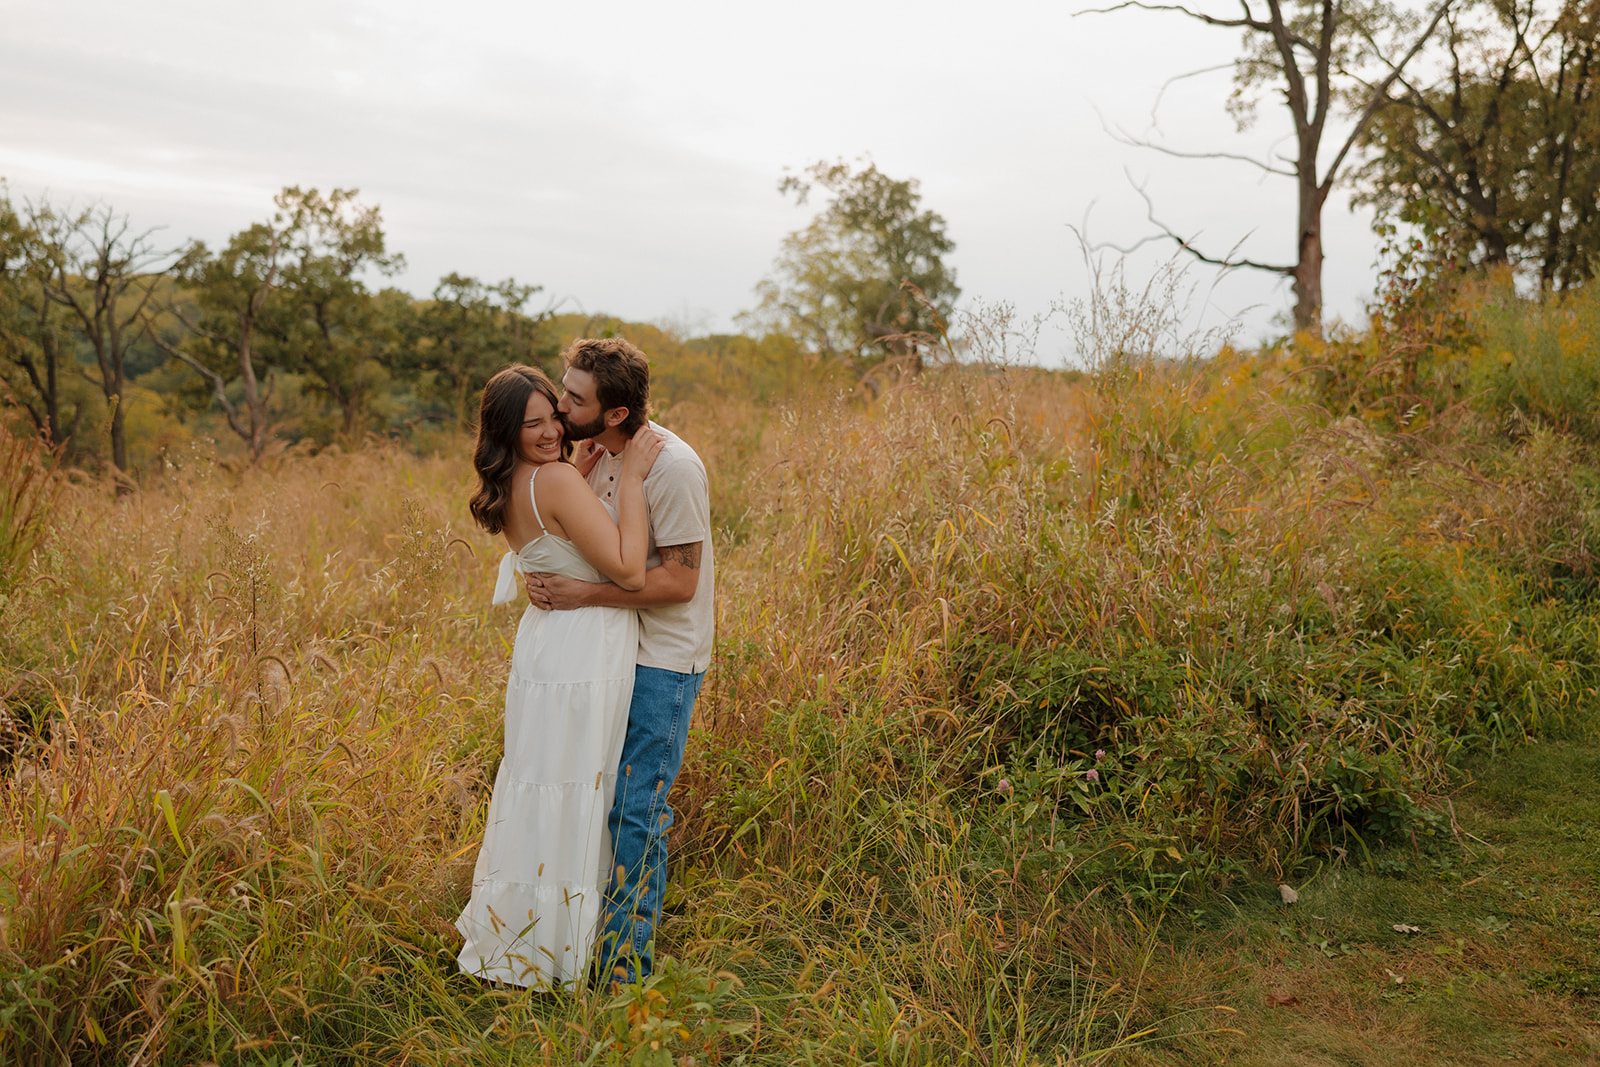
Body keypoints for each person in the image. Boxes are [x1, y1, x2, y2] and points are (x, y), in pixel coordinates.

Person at [456, 364, 663, 990]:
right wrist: (630, 477)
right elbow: (629, 570)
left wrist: (575, 468)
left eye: (554, 415)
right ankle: (560, 952)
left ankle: (517, 939)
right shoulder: (556, 480)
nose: (552, 431)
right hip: (584, 648)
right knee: (581, 787)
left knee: (541, 783)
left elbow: (554, 519)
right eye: (533, 424)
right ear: (506, 431)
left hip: (547, 647)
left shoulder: (519, 482)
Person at [525, 337, 714, 986]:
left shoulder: (672, 467)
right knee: (601, 799)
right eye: (562, 386)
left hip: (662, 660)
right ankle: (577, 949)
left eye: (574, 397)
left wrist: (581, 593)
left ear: (612, 411)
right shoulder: (593, 456)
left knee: (638, 808)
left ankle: (625, 976)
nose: (559, 401)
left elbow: (680, 582)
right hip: (607, 656)